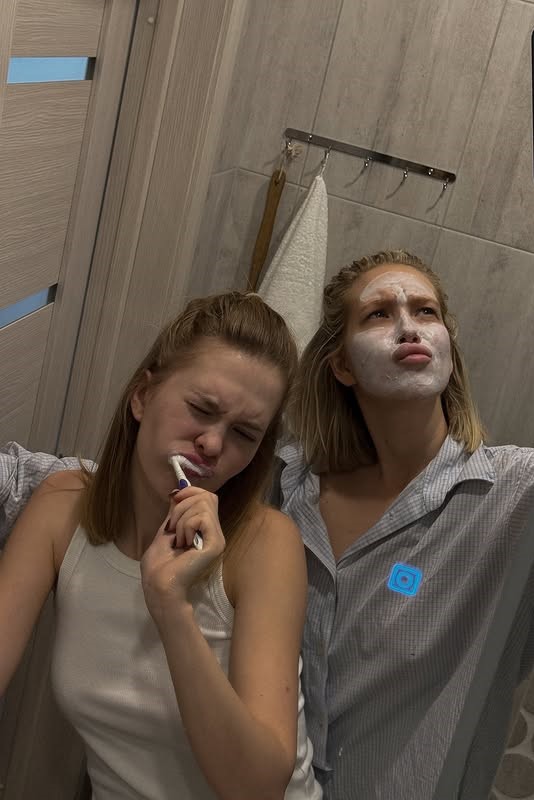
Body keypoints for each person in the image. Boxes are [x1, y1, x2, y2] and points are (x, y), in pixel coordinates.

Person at [0, 291, 322, 800]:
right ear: (143, 396)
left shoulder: (266, 545)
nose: (212, 445)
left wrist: (172, 608)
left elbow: (260, 787)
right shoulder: (62, 509)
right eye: (201, 409)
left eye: (243, 433)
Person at [276, 250, 534, 799]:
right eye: (378, 314)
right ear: (342, 366)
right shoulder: (290, 486)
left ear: (448, 349)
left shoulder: (513, 496)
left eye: (425, 311)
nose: (409, 327)